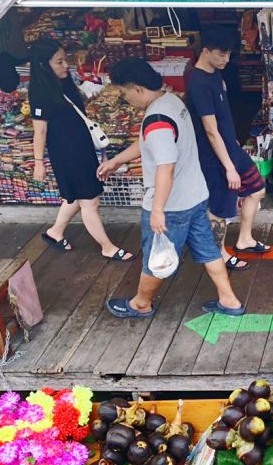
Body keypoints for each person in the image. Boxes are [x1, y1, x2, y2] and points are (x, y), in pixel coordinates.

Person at [97, 59, 244, 319]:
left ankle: (141, 303)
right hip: (196, 196)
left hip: (173, 206)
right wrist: (117, 160)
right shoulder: (172, 101)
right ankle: (229, 299)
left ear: (137, 88)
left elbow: (166, 166)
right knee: (209, 249)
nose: (125, 99)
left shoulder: (156, 120)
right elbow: (149, 145)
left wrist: (157, 210)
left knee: (157, 256)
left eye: (124, 93)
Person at [28, 38, 133, 262]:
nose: (66, 65)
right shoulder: (39, 91)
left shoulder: (64, 82)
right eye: (59, 62)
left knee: (76, 195)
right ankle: (107, 247)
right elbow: (40, 132)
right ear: (42, 65)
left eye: (64, 60)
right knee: (90, 201)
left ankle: (55, 232)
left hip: (81, 148)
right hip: (66, 155)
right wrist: (38, 162)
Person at [186, 27, 268, 271]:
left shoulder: (216, 74)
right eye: (221, 54)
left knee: (257, 189)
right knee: (221, 208)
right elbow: (210, 129)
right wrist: (229, 167)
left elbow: (222, 120)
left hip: (230, 147)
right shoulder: (198, 82)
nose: (226, 59)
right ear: (206, 51)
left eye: (228, 55)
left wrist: (233, 143)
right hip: (215, 157)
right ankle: (219, 254)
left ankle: (244, 239)